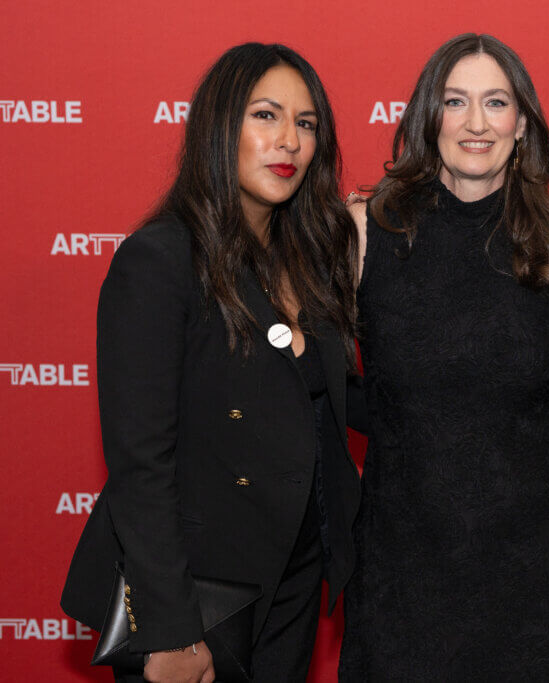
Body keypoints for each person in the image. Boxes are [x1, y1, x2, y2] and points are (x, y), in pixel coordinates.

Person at [60, 42, 362, 683]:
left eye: (306, 124)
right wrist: (169, 628)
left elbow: (331, 402)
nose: (289, 141)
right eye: (266, 115)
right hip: (199, 593)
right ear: (218, 126)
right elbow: (140, 463)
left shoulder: (308, 262)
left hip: (294, 578)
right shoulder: (161, 259)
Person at [339, 33, 549, 681]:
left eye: (496, 102)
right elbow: (297, 371)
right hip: (402, 562)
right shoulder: (362, 231)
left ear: (521, 122)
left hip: (537, 564)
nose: (475, 123)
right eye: (455, 101)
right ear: (425, 118)